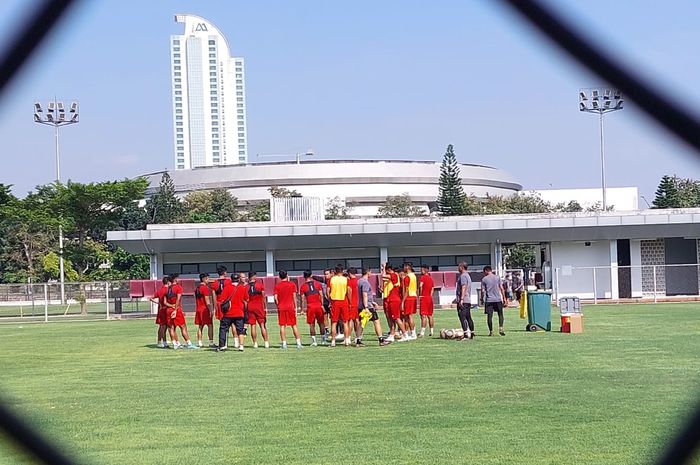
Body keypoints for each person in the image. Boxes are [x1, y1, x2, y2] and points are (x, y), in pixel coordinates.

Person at [357, 267, 390, 346]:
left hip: (361, 305)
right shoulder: (365, 282)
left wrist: (372, 302)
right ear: (368, 272)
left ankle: (358, 340)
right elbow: (364, 295)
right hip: (367, 306)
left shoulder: (359, 281)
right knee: (376, 321)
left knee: (362, 323)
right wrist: (366, 307)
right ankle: (381, 340)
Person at [165, 274, 197, 349]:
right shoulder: (178, 287)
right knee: (183, 327)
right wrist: (175, 309)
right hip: (177, 309)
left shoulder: (167, 288)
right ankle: (189, 343)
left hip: (168, 310)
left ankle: (175, 344)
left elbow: (165, 302)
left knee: (171, 328)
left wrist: (171, 306)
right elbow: (178, 299)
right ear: (175, 279)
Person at [274, 270, 302, 349]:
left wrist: (278, 305)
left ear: (279, 277)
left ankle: (284, 344)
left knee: (282, 326)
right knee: (294, 325)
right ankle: (298, 343)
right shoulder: (292, 284)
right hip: (290, 307)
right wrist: (295, 307)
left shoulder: (277, 286)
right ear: (287, 275)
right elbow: (294, 297)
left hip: (281, 307)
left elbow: (275, 298)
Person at [382, 263, 408, 342]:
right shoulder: (394, 276)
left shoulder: (394, 275)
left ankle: (405, 334)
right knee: (391, 318)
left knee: (396, 318)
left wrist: (383, 268)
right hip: (391, 299)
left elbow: (383, 276)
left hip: (394, 300)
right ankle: (392, 334)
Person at [300, 270, 326, 346]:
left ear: (304, 276)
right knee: (321, 323)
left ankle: (314, 342)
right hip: (318, 306)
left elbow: (302, 299)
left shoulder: (303, 286)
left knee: (311, 324)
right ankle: (323, 340)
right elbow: (321, 295)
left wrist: (302, 309)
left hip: (310, 307)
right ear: (311, 275)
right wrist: (322, 305)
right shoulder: (317, 284)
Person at [329, 265, 352, 347]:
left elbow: (327, 291)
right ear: (342, 271)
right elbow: (349, 291)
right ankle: (346, 340)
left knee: (334, 322)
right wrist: (350, 301)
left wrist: (330, 300)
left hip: (335, 301)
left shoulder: (332, 279)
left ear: (335, 271)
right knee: (345, 322)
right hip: (343, 301)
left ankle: (333, 341)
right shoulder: (346, 279)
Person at [215, 273, 239, 352]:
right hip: (234, 306)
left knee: (223, 327)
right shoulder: (229, 283)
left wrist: (216, 306)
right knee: (233, 325)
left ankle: (222, 344)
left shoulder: (215, 283)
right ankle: (236, 342)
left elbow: (214, 295)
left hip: (223, 306)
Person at [246, 271, 270, 349]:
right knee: (262, 325)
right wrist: (265, 307)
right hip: (259, 306)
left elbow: (245, 299)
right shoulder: (259, 285)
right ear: (254, 277)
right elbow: (263, 297)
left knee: (253, 325)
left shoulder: (246, 287)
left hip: (250, 306)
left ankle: (255, 343)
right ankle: (266, 342)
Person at [481, 266, 506, 336]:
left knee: (489, 316)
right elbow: (501, 288)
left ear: (486, 271)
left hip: (489, 300)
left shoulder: (484, 279)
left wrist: (481, 298)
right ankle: (501, 328)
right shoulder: (497, 277)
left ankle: (491, 331)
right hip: (498, 299)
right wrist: (504, 298)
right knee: (500, 314)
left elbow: (483, 291)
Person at [150, 276, 171, 348]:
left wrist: (158, 303)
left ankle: (159, 341)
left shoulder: (160, 290)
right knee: (166, 326)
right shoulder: (168, 290)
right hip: (166, 309)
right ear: (168, 282)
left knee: (161, 326)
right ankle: (165, 341)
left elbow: (151, 298)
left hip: (160, 309)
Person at [194, 273, 215, 347]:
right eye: (208, 279)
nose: (208, 280)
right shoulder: (205, 288)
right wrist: (211, 309)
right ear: (204, 279)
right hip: (204, 309)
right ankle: (211, 342)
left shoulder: (197, 288)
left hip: (198, 309)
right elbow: (207, 300)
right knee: (210, 325)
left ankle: (199, 342)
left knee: (200, 326)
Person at [457, 263, 474, 340]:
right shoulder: (468, 276)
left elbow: (463, 287)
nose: (458, 268)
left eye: (459, 267)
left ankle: (466, 334)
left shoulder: (463, 276)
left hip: (464, 300)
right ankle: (472, 333)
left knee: (462, 317)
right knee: (468, 317)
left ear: (462, 267)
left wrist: (461, 299)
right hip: (468, 300)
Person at [401, 262, 418, 340]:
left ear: (407, 267)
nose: (403, 268)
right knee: (408, 316)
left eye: (404, 267)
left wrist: (403, 301)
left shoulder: (407, 277)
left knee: (408, 316)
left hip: (409, 297)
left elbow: (406, 290)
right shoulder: (414, 276)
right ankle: (410, 333)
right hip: (413, 296)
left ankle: (412, 333)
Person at [418, 264, 435, 337]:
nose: (420, 271)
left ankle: (422, 332)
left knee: (423, 315)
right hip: (429, 298)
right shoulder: (431, 278)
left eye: (421, 269)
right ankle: (431, 331)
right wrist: (430, 296)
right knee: (430, 315)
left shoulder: (423, 277)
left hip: (424, 297)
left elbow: (420, 286)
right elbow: (432, 288)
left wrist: (420, 295)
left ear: (425, 270)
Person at [346, 267, 361, 344]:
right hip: (357, 302)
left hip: (352, 303)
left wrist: (350, 301)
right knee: (357, 320)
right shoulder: (357, 281)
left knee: (351, 320)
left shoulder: (350, 281)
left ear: (349, 273)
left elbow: (349, 291)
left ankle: (348, 337)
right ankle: (358, 336)